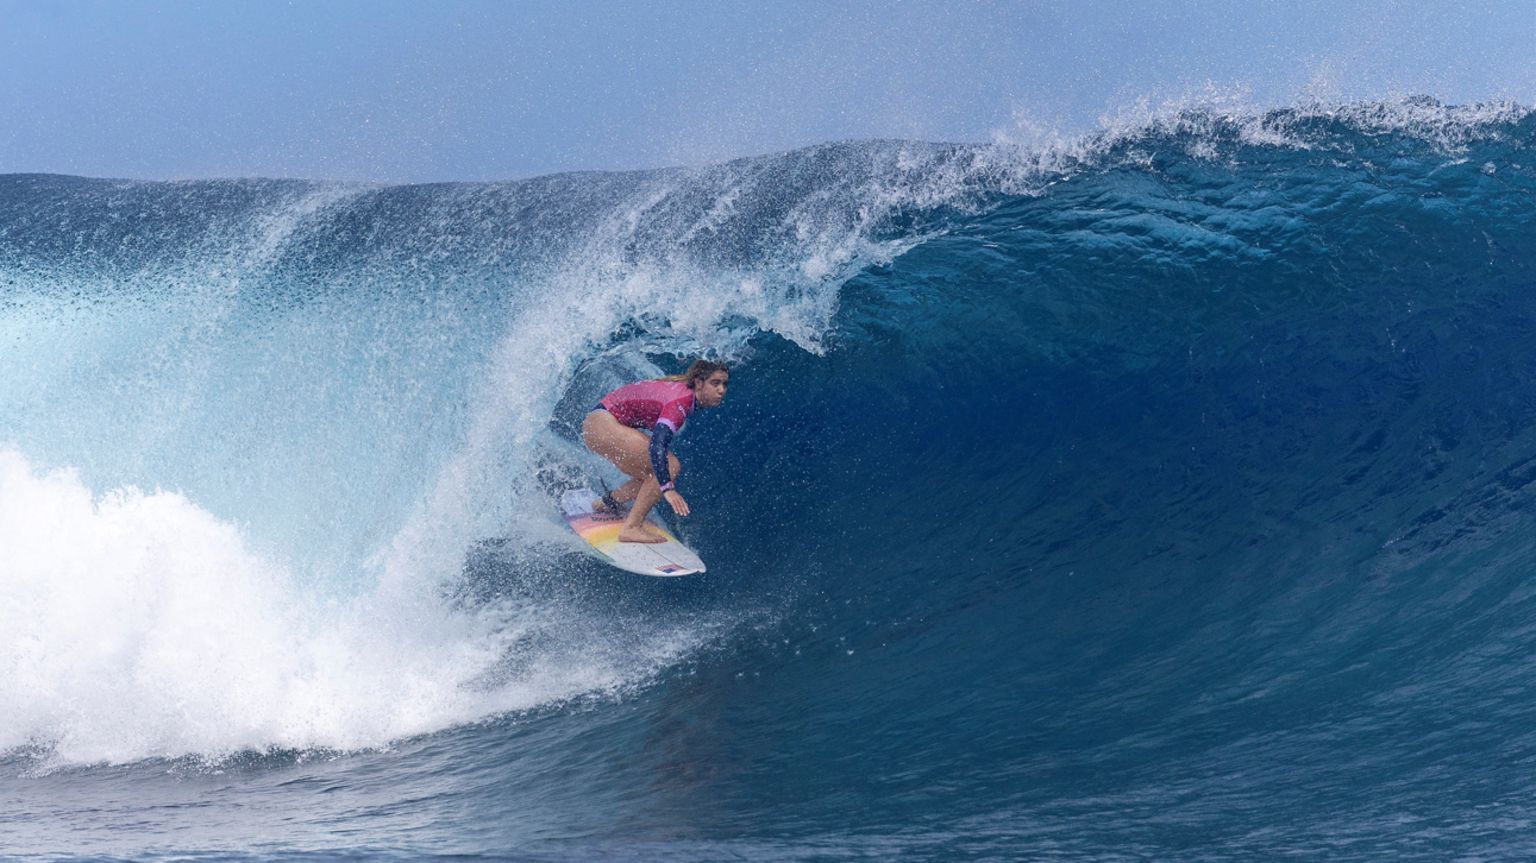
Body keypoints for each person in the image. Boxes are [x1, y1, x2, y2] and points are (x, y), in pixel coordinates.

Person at [581, 360, 729, 543]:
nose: (722, 390)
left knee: (651, 477)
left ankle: (607, 503)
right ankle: (631, 528)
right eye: (715, 383)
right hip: (603, 424)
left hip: (598, 425)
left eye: (724, 384)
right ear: (699, 383)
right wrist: (668, 489)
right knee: (670, 466)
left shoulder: (683, 392)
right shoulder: (681, 402)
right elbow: (657, 445)